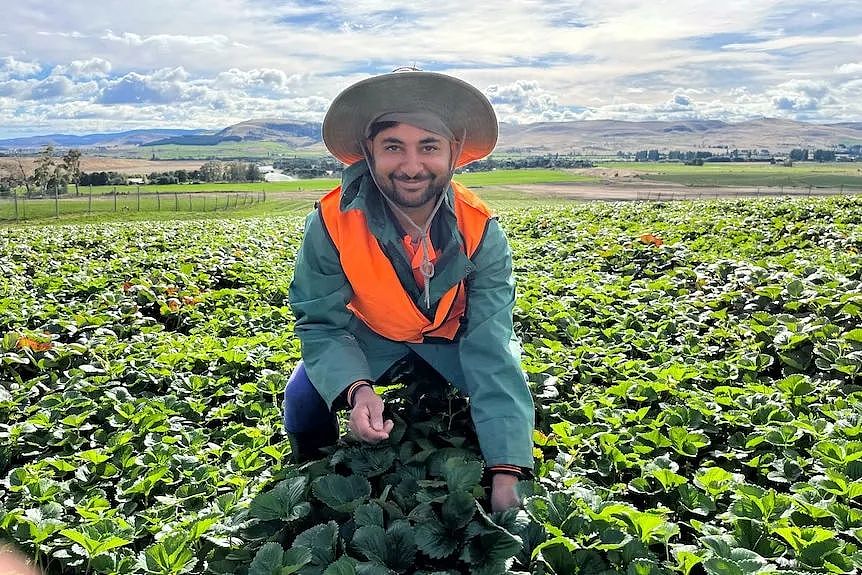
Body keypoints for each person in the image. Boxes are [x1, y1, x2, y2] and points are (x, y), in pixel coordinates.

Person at [284, 69, 534, 512]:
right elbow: (320, 321)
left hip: (447, 340)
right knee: (303, 402)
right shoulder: (331, 220)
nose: (412, 166)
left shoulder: (481, 228)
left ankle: (439, 390)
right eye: (393, 146)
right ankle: (312, 478)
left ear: (453, 152)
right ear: (369, 153)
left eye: (429, 146)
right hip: (370, 337)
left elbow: (492, 341)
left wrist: (506, 472)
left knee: (500, 416)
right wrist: (356, 388)